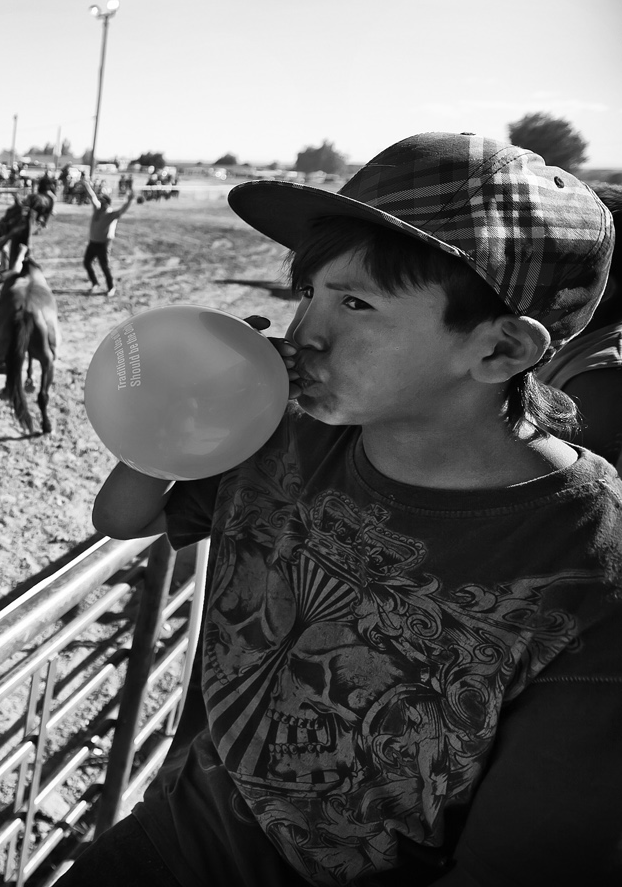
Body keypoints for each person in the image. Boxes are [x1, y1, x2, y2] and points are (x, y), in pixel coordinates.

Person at [66, 133, 622, 887]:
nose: (306, 336)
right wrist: (179, 410)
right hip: (177, 833)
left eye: (356, 303)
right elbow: (123, 518)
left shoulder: (591, 575)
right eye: (308, 293)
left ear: (500, 351)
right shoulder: (282, 432)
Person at [536, 183, 622, 464]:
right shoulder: (553, 335)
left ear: (597, 289)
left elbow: (559, 479)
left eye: (547, 260)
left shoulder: (600, 374)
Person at [80, 176, 132, 297]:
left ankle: (111, 287)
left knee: (104, 267)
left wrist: (129, 200)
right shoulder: (97, 209)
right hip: (92, 243)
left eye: (102, 202)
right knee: (87, 263)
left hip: (103, 244)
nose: (99, 203)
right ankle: (95, 283)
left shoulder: (111, 214)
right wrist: (87, 185)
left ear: (107, 204)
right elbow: (92, 197)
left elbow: (122, 210)